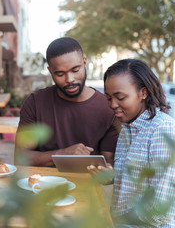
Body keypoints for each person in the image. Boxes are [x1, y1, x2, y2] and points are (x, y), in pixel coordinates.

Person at [88, 59, 175, 227]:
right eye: (109, 98)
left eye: (120, 97)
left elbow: (160, 209)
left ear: (143, 93)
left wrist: (115, 220)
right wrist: (110, 180)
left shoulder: (162, 131)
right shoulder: (126, 128)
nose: (113, 105)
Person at [15, 37, 119, 166]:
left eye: (75, 70)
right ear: (50, 71)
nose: (70, 79)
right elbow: (21, 157)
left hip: (86, 184)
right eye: (60, 74)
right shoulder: (35, 103)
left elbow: (109, 164)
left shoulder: (108, 108)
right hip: (41, 183)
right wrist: (62, 154)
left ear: (84, 63)